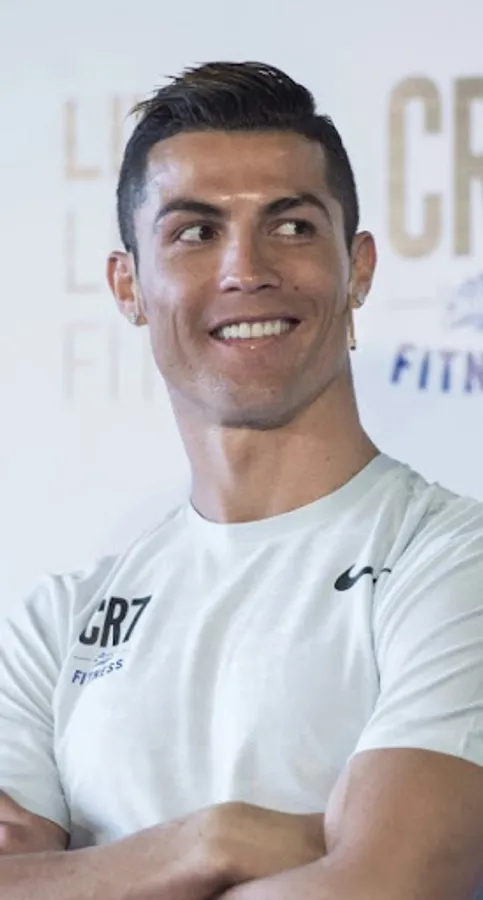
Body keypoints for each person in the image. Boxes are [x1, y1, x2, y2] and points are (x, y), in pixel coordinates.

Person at [1, 60, 483, 900]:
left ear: (358, 268)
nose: (245, 269)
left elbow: (384, 882)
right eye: (195, 232)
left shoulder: (452, 563)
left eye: (291, 227)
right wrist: (213, 839)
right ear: (127, 286)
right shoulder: (56, 626)